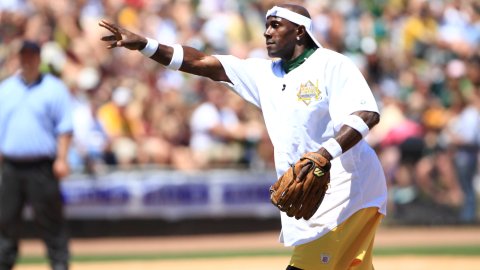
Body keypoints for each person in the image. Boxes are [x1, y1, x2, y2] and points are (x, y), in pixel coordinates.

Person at [99, 3, 387, 269]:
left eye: (276, 25)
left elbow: (367, 115)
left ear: (300, 31)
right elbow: (202, 63)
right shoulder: (264, 73)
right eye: (266, 25)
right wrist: (146, 45)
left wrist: (324, 154)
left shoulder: (330, 64)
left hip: (347, 189)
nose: (267, 32)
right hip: (327, 193)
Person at [0, 40, 73, 270]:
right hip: (11, 167)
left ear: (39, 59)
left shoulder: (54, 88)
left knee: (51, 222)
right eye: (23, 55)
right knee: (5, 221)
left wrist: (61, 158)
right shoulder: (6, 89)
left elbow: (65, 127)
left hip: (42, 166)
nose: (27, 60)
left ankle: (59, 265)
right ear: (18, 58)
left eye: (31, 56)